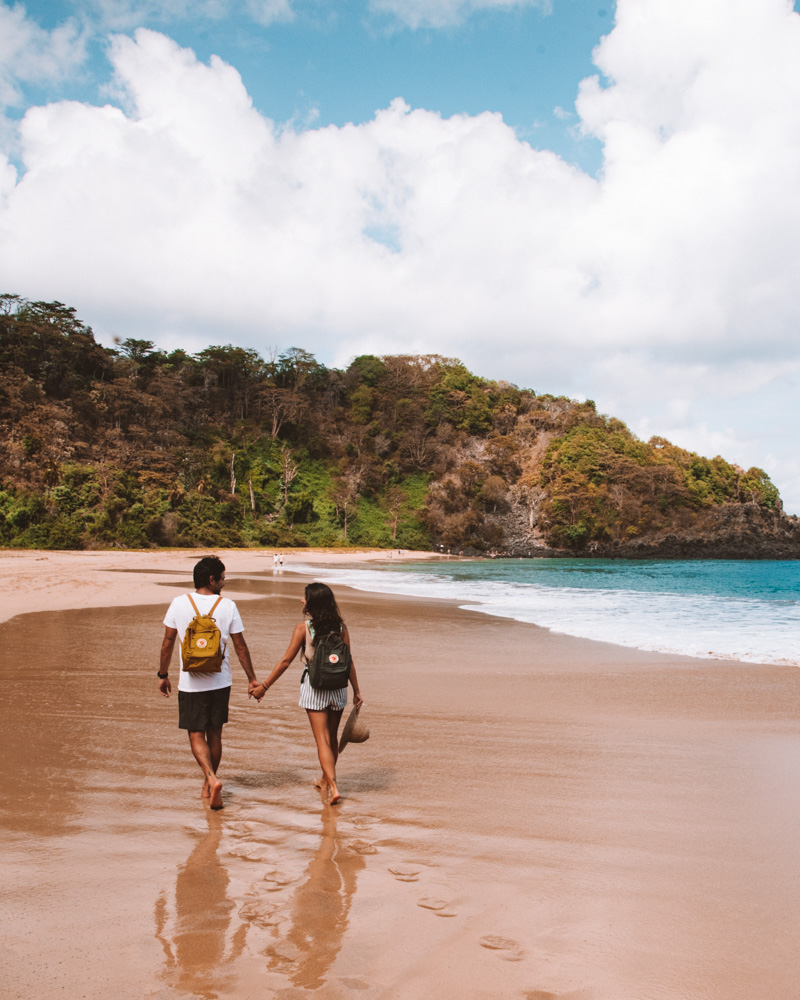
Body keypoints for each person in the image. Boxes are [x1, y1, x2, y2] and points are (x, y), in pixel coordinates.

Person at [158, 556, 261, 810]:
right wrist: (252, 679)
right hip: (220, 681)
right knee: (215, 732)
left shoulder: (179, 603)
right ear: (211, 579)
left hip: (190, 683)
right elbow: (240, 646)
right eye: (222, 578)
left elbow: (169, 642)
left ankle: (211, 779)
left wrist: (162, 674)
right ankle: (209, 782)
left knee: (195, 733)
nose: (224, 583)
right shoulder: (228, 606)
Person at [252, 583, 362, 805]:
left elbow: (285, 661)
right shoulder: (341, 627)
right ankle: (325, 779)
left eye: (305, 598)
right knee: (331, 738)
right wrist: (357, 691)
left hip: (315, 687)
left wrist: (264, 686)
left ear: (313, 602)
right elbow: (348, 661)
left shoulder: (304, 628)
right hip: (339, 688)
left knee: (322, 740)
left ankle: (333, 786)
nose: (302, 601)